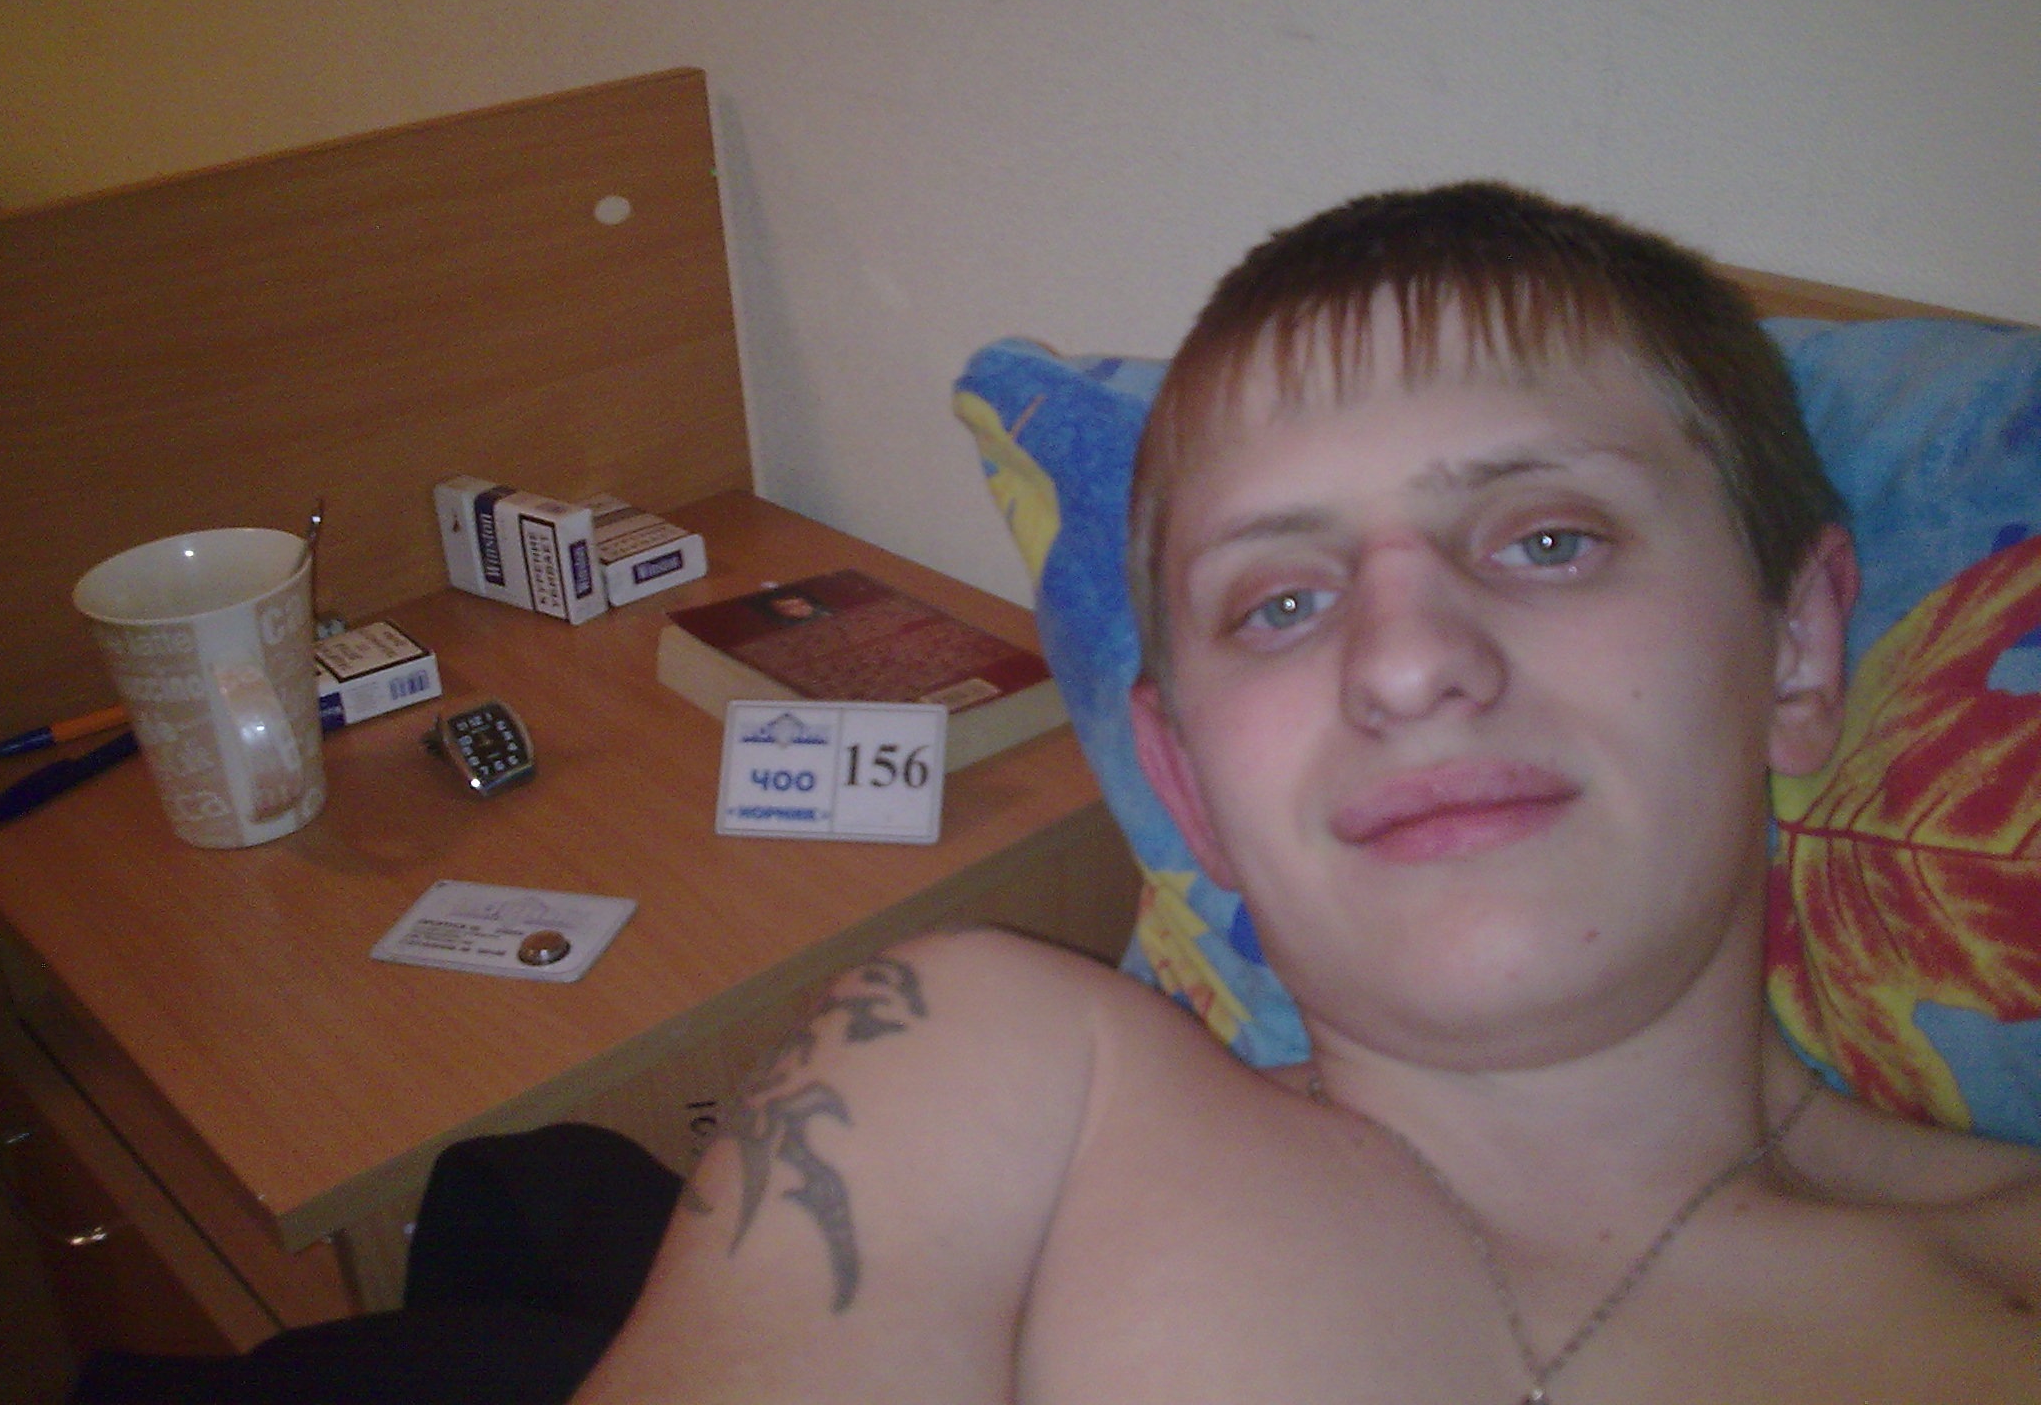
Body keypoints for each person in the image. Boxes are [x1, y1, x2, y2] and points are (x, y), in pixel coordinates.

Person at [575, 182, 2041, 1403]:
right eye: (1280, 604)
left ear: (1796, 654)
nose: (1405, 663)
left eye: (1548, 540)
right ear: (1185, 783)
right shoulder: (994, 1073)